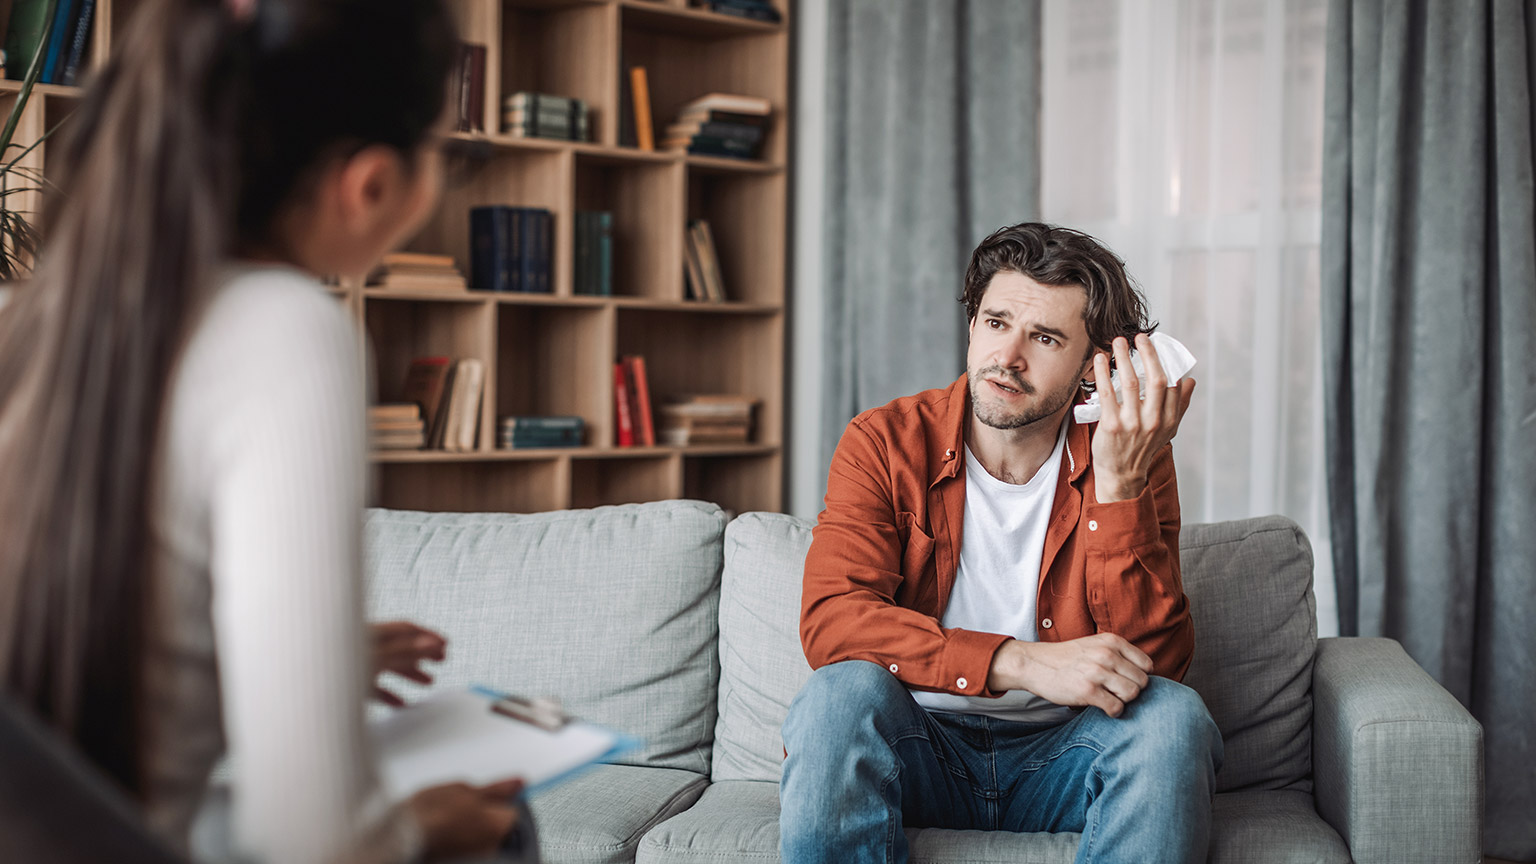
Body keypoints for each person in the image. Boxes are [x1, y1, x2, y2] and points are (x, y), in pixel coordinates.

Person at [0, 1, 525, 861]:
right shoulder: (285, 329)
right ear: (370, 185)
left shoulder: (31, 321)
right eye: (445, 154)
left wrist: (301, 662)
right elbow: (315, 843)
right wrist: (423, 823)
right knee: (503, 830)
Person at [782, 222, 1224, 863]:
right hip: (919, 751)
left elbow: (1155, 666)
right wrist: (1021, 662)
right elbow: (834, 622)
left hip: (1066, 760)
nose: (1007, 357)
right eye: (995, 323)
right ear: (972, 326)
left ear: (1094, 366)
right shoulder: (884, 441)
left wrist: (1122, 483)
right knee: (836, 699)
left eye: (1044, 338)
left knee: (1174, 718)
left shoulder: (1130, 456)